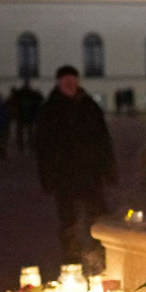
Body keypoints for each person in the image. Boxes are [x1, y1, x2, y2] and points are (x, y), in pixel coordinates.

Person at [34, 65, 115, 264]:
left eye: (73, 79)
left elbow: (103, 139)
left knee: (98, 216)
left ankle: (101, 253)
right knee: (68, 219)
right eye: (65, 80)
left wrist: (109, 168)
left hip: (90, 173)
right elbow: (42, 147)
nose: (70, 83)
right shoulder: (50, 109)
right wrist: (47, 177)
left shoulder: (89, 105)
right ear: (59, 82)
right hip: (64, 175)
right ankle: (72, 257)